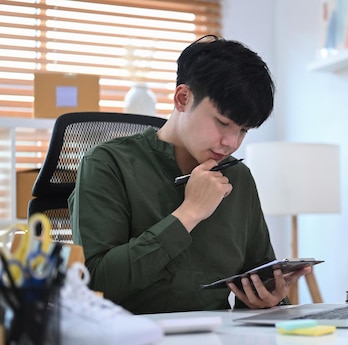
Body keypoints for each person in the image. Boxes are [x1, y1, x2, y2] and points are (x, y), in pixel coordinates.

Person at [69, 35, 311, 314]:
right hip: (131, 338)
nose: (232, 142)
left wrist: (267, 299)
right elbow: (96, 281)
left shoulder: (238, 177)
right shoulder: (107, 163)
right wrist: (190, 212)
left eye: (243, 130)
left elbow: (256, 276)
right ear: (183, 98)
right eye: (223, 123)